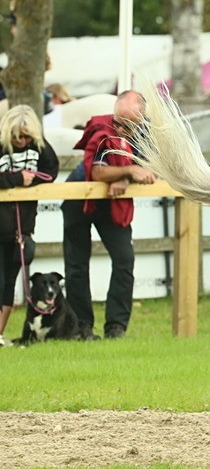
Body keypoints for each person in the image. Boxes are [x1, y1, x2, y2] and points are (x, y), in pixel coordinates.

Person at [61, 91, 156, 340]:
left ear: (142, 119)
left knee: (124, 260)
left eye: (127, 125)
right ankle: (81, 327)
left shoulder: (148, 133)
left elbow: (152, 168)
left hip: (113, 202)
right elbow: (98, 172)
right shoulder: (102, 129)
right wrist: (129, 172)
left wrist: (124, 177)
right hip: (80, 198)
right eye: (118, 121)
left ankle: (116, 327)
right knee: (77, 265)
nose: (120, 129)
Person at [0, 106, 59, 347]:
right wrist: (16, 179)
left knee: (8, 283)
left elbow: (51, 170)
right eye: (16, 136)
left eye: (26, 136)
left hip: (20, 231)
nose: (21, 141)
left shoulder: (38, 146)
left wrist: (31, 180)